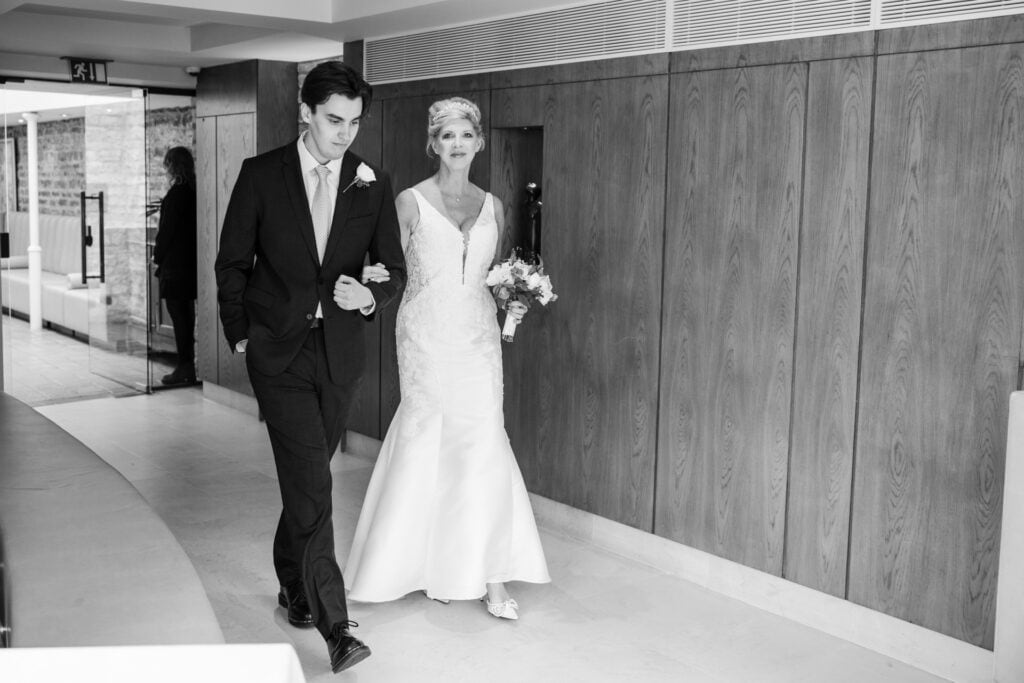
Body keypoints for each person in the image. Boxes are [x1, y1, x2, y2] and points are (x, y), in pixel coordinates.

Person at [214, 61, 406, 674]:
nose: (345, 133)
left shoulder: (371, 182)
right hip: (278, 352)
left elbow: (393, 267)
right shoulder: (261, 174)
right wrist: (242, 336)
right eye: (333, 120)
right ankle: (336, 624)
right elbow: (231, 263)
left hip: (340, 353)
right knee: (315, 483)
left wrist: (372, 294)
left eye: (354, 121)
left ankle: (292, 580)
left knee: (308, 478)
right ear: (306, 112)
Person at [344, 97, 550, 619]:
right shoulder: (410, 202)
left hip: (478, 339)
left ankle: (492, 575)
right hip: (426, 336)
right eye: (446, 136)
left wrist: (513, 296)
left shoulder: (495, 207)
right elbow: (387, 266)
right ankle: (421, 565)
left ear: (479, 142)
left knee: (482, 442)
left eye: (465, 135)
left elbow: (484, 275)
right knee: (428, 439)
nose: (456, 145)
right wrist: (367, 282)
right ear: (432, 144)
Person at [153, 146, 197, 386]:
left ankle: (184, 367)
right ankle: (187, 365)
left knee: (180, 320)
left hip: (175, 267)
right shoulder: (194, 192)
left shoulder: (175, 196)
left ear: (172, 166)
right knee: (186, 320)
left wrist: (157, 257)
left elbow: (166, 234)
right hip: (191, 266)